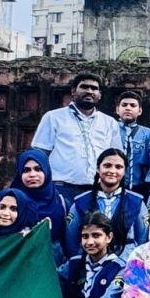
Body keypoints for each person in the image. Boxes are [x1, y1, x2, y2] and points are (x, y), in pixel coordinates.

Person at [32, 73, 122, 204]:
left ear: (99, 95)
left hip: (98, 190)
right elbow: (40, 154)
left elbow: (116, 157)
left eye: (94, 88)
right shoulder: (53, 117)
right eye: (84, 87)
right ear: (73, 91)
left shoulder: (109, 122)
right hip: (61, 188)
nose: (89, 91)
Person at [66, 148, 148, 259]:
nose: (112, 171)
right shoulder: (81, 202)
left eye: (118, 167)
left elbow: (142, 239)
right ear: (98, 169)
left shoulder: (136, 201)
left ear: (124, 171)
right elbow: (71, 240)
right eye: (107, 166)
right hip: (90, 261)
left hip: (127, 261)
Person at [11, 148, 70, 262]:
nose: (32, 175)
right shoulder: (11, 201)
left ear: (46, 171)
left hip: (52, 264)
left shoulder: (61, 203)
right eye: (26, 170)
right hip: (18, 262)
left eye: (38, 169)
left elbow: (67, 242)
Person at [114, 90, 146, 182]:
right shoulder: (109, 130)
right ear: (117, 109)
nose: (128, 108)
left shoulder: (149, 134)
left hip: (139, 185)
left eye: (133, 105)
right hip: (113, 183)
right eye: (124, 105)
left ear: (140, 111)